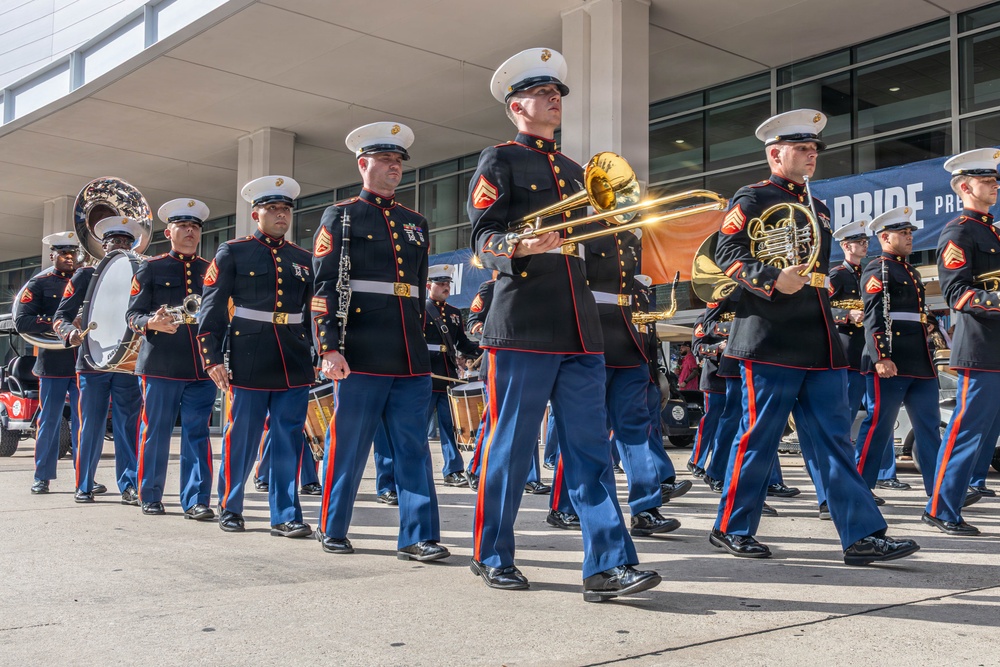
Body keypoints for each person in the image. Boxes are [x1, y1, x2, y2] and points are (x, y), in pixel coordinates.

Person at [467, 47, 658, 601]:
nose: (555, 99)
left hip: (581, 325)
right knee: (510, 446)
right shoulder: (499, 159)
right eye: (543, 93)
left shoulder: (578, 172)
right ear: (516, 106)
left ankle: (607, 567)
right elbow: (482, 237)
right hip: (524, 321)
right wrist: (517, 243)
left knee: (591, 451)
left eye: (558, 93)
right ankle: (492, 553)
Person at [711, 108, 919, 564]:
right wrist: (767, 277)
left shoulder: (819, 208)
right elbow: (722, 251)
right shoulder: (752, 197)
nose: (811, 156)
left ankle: (861, 535)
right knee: (758, 439)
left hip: (818, 341)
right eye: (802, 148)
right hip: (769, 338)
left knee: (835, 441)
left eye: (813, 149)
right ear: (775, 153)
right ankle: (732, 526)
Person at [312, 122, 447, 562]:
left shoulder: (416, 223)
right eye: (386, 160)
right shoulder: (342, 215)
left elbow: (420, 287)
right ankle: (332, 525)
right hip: (360, 351)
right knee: (348, 446)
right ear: (363, 164)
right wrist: (328, 347)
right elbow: (324, 287)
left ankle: (418, 536)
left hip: (409, 353)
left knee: (413, 450)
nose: (395, 167)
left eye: (399, 162)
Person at [197, 175, 314, 538]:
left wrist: (322, 349)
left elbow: (312, 311)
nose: (281, 216)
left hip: (293, 356)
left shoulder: (304, 258)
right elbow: (212, 306)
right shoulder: (233, 251)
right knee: (241, 437)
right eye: (273, 209)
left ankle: (285, 514)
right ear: (255, 214)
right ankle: (230, 507)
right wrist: (211, 357)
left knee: (288, 438)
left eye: (285, 210)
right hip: (249, 354)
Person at [924, 148, 1000, 536]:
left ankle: (961, 493)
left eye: (995, 180)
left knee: (985, 431)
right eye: (988, 181)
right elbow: (957, 294)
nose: (995, 185)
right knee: (965, 430)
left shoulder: (993, 231)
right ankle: (941, 508)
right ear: (965, 186)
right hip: (982, 347)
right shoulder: (959, 231)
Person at [124, 200, 217, 518]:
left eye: (195, 227)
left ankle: (197, 500)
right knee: (156, 432)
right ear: (169, 232)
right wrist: (150, 322)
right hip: (161, 364)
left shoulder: (210, 270)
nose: (190, 231)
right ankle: (149, 494)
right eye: (183, 226)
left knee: (198, 432)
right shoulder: (151, 267)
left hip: (200, 365)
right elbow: (132, 315)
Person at [853, 206, 941, 498]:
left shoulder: (910, 269)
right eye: (902, 233)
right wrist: (881, 356)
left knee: (929, 428)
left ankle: (941, 491)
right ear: (884, 237)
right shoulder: (877, 268)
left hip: (918, 359)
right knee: (879, 426)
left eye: (910, 233)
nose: (909, 237)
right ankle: (858, 489)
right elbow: (875, 315)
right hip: (891, 359)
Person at [53, 217, 141, 505]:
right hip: (92, 360)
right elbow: (61, 317)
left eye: (126, 242)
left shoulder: (141, 272)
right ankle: (84, 484)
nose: (120, 246)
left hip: (127, 362)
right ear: (103, 246)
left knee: (127, 425)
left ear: (133, 246)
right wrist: (71, 333)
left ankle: (129, 485)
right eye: (114, 242)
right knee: (90, 425)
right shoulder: (84, 275)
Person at [15, 232, 82, 495]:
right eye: (63, 253)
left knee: (83, 422)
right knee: (50, 421)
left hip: (82, 362)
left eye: (72, 253)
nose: (69, 258)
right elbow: (23, 321)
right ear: (52, 255)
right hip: (53, 361)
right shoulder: (39, 283)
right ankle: (42, 476)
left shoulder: (86, 280)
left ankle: (84, 479)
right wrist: (59, 323)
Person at [423, 263, 480, 487]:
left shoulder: (455, 313)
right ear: (429, 285)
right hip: (426, 374)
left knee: (451, 427)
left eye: (448, 284)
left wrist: (482, 348)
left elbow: (462, 343)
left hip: (448, 376)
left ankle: (453, 470)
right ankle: (416, 468)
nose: (446, 287)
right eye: (441, 283)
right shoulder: (420, 309)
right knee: (418, 427)